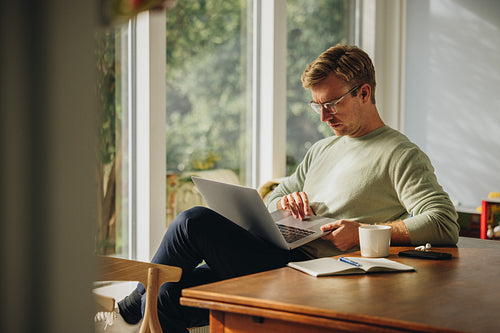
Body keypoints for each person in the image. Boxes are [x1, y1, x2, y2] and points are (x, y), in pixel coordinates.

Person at [95, 45, 459, 333]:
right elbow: (273, 195)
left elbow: (444, 223)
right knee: (167, 296)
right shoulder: (323, 148)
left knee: (194, 222)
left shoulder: (401, 154)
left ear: (364, 92)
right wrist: (285, 198)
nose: (322, 116)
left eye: (331, 103)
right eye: (316, 104)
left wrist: (362, 231)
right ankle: (133, 306)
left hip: (314, 273)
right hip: (277, 255)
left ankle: (125, 308)